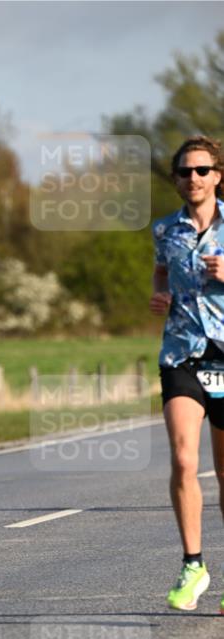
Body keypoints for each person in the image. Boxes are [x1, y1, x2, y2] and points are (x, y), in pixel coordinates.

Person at [150, 135, 224, 612]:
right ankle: (193, 564)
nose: (192, 179)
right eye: (184, 172)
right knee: (182, 459)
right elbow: (161, 272)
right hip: (182, 354)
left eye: (201, 170)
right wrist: (159, 296)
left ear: (217, 175)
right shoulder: (164, 230)